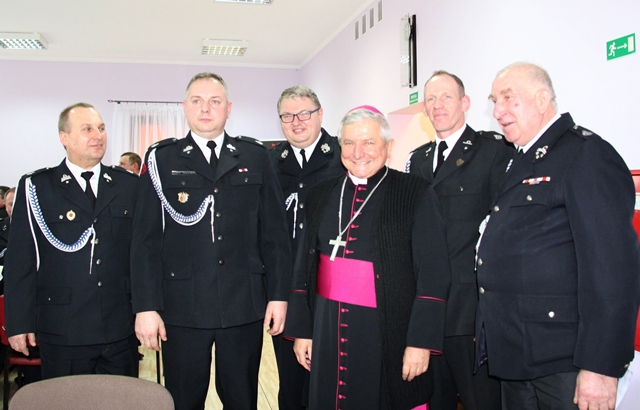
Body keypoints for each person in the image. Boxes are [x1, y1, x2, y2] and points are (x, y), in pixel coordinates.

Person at [477, 62, 640, 409]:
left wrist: (600, 366)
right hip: (517, 353)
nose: (498, 111)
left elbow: (612, 269)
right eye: (494, 101)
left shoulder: (585, 154)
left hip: (564, 359)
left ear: (542, 99)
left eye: (508, 98)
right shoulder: (519, 160)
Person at [131, 72, 292, 410]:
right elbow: (145, 241)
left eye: (214, 101)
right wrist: (146, 306)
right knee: (183, 400)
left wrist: (279, 296)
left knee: (242, 399)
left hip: (243, 304)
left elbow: (274, 234)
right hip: (182, 307)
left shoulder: (255, 156)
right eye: (197, 101)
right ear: (184, 107)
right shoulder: (161, 159)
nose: (205, 108)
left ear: (228, 108)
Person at [284, 106, 451, 409]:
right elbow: (303, 268)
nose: (358, 152)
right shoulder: (320, 194)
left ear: (389, 146)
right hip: (327, 328)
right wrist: (302, 331)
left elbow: (433, 273)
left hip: (387, 329)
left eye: (369, 142)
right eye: (349, 143)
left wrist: (421, 341)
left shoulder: (415, 192)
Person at [3, 103, 139, 379]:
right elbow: (20, 261)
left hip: (119, 327)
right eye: (87, 129)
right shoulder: (38, 187)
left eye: (101, 128)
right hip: (63, 327)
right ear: (64, 138)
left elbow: (142, 255)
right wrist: (19, 322)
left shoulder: (128, 185)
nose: (98, 136)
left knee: (121, 398)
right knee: (67, 399)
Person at [405, 71, 512, 410]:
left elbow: (502, 229)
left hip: (470, 312)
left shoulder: (492, 151)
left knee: (481, 401)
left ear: (465, 103)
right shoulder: (417, 159)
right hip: (428, 312)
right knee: (433, 401)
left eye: (446, 97)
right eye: (431, 99)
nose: (438, 105)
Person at [269, 85, 345, 410]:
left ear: (320, 114)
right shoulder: (271, 163)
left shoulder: (343, 155)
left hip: (332, 289)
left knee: (330, 384)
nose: (296, 121)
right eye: (287, 116)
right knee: (290, 385)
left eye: (304, 113)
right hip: (286, 292)